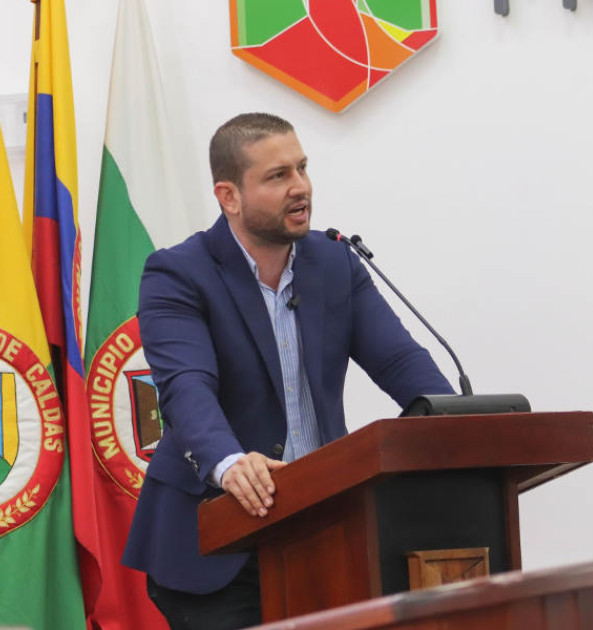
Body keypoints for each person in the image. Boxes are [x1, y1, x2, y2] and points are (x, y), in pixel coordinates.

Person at [122, 112, 454, 630]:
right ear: (228, 196)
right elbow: (187, 386)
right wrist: (229, 462)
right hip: (219, 544)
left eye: (302, 169)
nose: (300, 188)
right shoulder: (179, 273)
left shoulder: (334, 261)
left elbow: (399, 361)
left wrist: (456, 421)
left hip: (326, 531)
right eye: (278, 176)